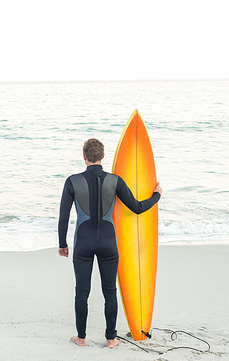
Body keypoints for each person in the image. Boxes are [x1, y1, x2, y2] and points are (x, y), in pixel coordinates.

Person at [58, 138, 162, 348]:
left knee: (82, 291)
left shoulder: (72, 181)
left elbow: (63, 216)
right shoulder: (115, 180)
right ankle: (111, 338)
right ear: (103, 157)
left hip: (83, 243)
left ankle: (81, 338)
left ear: (84, 155)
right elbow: (138, 207)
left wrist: (62, 244)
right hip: (108, 242)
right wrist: (156, 196)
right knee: (110, 292)